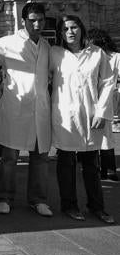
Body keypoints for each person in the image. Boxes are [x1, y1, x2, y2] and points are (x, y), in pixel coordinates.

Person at [0, 2, 52, 217]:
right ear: (24, 20)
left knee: (40, 156)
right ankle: (4, 197)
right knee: (9, 157)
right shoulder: (8, 42)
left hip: (41, 109)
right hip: (16, 107)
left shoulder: (46, 46)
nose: (37, 24)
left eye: (41, 20)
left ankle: (38, 199)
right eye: (32, 20)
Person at [50, 16, 115, 224]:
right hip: (65, 117)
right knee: (66, 163)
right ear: (60, 33)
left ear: (81, 29)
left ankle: (97, 206)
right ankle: (69, 204)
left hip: (90, 115)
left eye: (74, 27)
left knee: (91, 164)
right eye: (65, 28)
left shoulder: (96, 54)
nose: (70, 32)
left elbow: (107, 82)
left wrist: (102, 112)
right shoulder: (55, 54)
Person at [87, 28, 120, 181]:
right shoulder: (91, 56)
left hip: (108, 97)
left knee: (105, 133)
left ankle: (108, 169)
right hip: (92, 98)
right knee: (93, 133)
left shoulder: (115, 57)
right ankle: (99, 167)